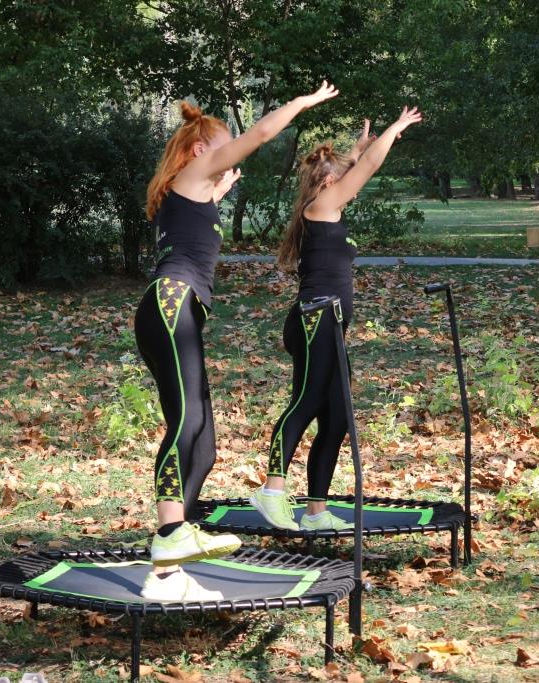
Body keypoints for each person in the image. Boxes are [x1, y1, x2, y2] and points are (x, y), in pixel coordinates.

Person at [134, 82, 339, 601]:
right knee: (187, 422)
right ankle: (169, 533)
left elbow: (200, 210)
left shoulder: (191, 189)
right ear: (201, 150)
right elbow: (261, 133)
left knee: (204, 444)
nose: (230, 160)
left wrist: (220, 191)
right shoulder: (193, 171)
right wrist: (302, 104)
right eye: (223, 150)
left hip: (178, 310)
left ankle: (168, 568)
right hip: (171, 303)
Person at [250, 108, 423, 531]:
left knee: (337, 417)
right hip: (315, 320)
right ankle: (271, 490)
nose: (349, 182)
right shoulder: (322, 204)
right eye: (341, 176)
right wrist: (395, 128)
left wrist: (357, 148)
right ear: (328, 183)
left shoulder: (326, 206)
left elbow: (357, 164)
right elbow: (368, 168)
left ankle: (316, 512)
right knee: (307, 402)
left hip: (327, 324)